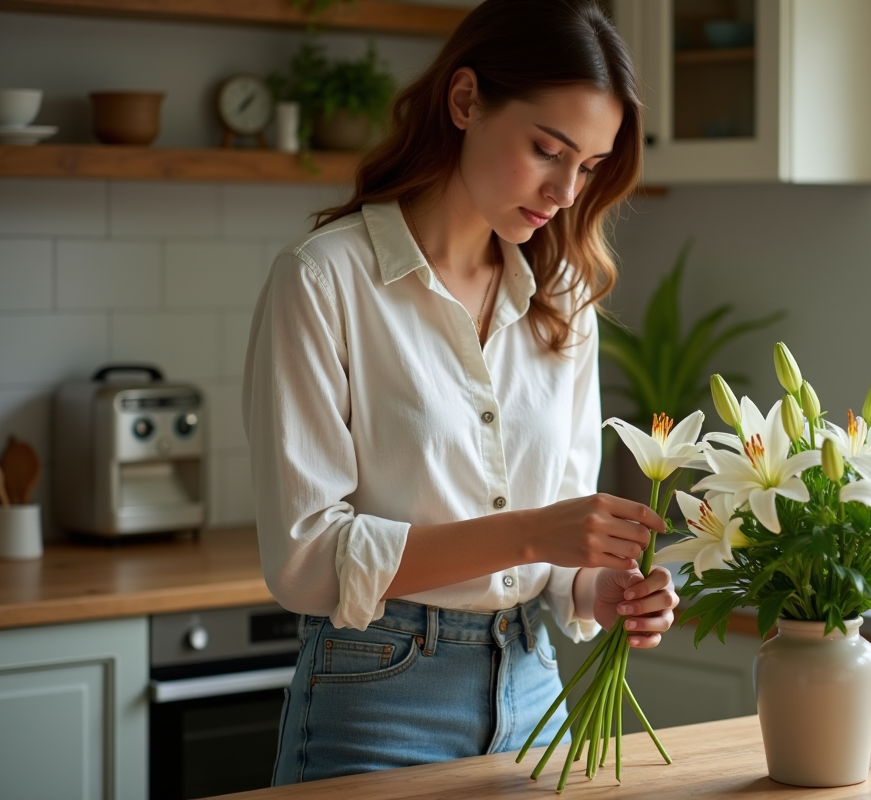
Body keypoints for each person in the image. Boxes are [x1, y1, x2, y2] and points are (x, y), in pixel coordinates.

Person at [242, 0, 680, 785]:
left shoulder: (564, 296)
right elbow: (306, 561)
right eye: (549, 150)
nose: (567, 190)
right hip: (377, 694)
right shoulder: (323, 280)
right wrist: (530, 535)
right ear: (466, 99)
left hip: (536, 690)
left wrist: (600, 586)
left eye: (588, 167)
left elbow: (549, 546)